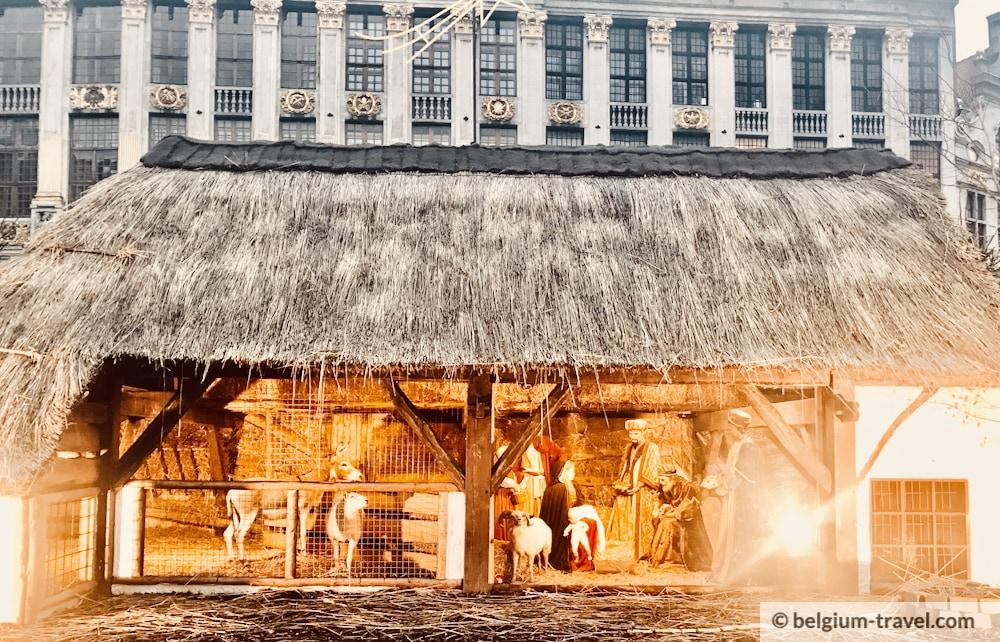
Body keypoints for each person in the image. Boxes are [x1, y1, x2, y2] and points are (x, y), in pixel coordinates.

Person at [608, 419, 660, 561]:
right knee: (623, 511)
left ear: (643, 433)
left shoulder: (652, 448)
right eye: (631, 434)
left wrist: (639, 486)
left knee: (640, 520)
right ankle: (626, 551)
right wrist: (621, 485)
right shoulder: (628, 448)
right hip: (629, 488)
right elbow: (625, 467)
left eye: (636, 433)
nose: (632, 437)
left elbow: (653, 469)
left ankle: (642, 552)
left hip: (642, 490)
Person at [539, 459, 576, 572]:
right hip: (559, 527)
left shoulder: (550, 488)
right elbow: (562, 513)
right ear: (564, 472)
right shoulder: (562, 488)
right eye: (572, 471)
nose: (574, 473)